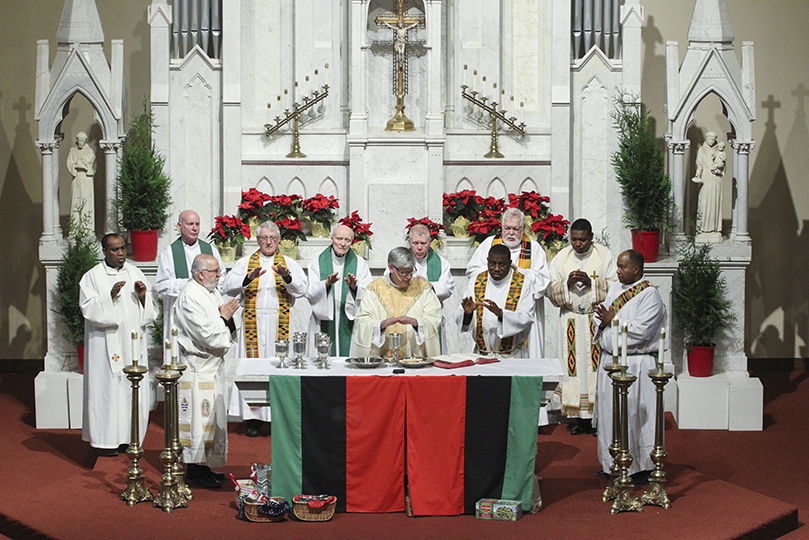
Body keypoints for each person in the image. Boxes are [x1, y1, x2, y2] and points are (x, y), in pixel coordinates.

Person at [222, 221, 307, 436]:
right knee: (254, 368)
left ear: (278, 240)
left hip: (280, 323)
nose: (268, 242)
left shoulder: (289, 263)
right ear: (257, 240)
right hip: (254, 323)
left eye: (272, 238)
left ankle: (280, 414)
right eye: (263, 238)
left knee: (279, 366)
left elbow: (301, 290)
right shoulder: (245, 263)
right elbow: (226, 286)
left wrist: (287, 277)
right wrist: (247, 278)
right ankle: (254, 418)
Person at [79, 233, 156, 457]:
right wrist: (109, 296)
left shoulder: (135, 272)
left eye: (123, 248)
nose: (121, 253)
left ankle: (129, 438)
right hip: (105, 345)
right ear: (104, 251)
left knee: (130, 388)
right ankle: (105, 441)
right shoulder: (92, 277)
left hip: (131, 345)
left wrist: (142, 296)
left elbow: (148, 311)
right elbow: (88, 308)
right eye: (115, 249)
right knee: (108, 390)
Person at [593, 250, 666, 485]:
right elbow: (601, 316)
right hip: (611, 362)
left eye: (622, 267)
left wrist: (612, 321)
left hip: (635, 364)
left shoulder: (650, 295)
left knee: (633, 415)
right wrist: (605, 319)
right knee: (609, 414)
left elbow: (641, 331)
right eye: (617, 266)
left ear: (636, 269)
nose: (617, 271)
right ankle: (612, 463)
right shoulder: (616, 288)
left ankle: (639, 468)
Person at [173, 254, 239, 489]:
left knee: (212, 420)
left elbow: (223, 324)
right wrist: (224, 317)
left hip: (212, 367)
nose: (220, 275)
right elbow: (207, 335)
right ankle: (196, 470)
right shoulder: (190, 296)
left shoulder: (210, 291)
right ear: (201, 274)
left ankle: (204, 466)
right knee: (199, 422)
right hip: (198, 368)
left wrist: (228, 320)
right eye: (215, 271)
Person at [545, 219, 616, 435]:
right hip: (572, 320)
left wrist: (592, 284)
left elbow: (616, 286)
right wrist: (565, 285)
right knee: (573, 369)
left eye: (582, 239)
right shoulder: (562, 257)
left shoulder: (604, 255)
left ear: (591, 237)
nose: (578, 244)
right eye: (574, 239)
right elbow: (549, 289)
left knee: (596, 369)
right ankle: (578, 418)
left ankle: (598, 419)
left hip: (596, 320)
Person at [466, 208, 550, 357]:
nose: (511, 233)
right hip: (486, 311)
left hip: (522, 311)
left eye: (515, 229)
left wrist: (518, 273)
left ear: (523, 228)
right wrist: (492, 272)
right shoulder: (489, 244)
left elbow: (543, 281)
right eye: (507, 228)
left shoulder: (534, 248)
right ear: (502, 227)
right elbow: (472, 271)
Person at [352, 246, 442, 359]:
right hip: (382, 361)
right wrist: (380, 325)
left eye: (411, 271)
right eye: (404, 272)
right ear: (391, 268)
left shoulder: (423, 288)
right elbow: (362, 321)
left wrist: (416, 322)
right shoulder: (374, 289)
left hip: (415, 360)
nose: (409, 277)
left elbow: (434, 318)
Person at [155, 210, 228, 342]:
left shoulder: (210, 250)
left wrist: (211, 281)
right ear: (179, 225)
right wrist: (190, 284)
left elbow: (222, 279)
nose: (194, 228)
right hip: (180, 312)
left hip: (206, 310)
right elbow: (162, 285)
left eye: (197, 224)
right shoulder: (170, 253)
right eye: (190, 224)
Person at [456, 243, 536, 358]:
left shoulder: (523, 283)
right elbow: (461, 317)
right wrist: (468, 314)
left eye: (502, 264)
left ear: (510, 263)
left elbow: (527, 317)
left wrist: (501, 314)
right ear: (487, 261)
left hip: (512, 357)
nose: (496, 269)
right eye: (492, 263)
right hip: (482, 356)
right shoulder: (477, 281)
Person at [305, 224, 372, 356]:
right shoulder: (316, 263)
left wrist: (355, 288)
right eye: (339, 239)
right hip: (323, 320)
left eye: (347, 240)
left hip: (349, 320)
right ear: (332, 239)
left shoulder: (360, 263)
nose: (343, 244)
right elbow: (310, 292)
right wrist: (326, 284)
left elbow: (369, 293)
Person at [386, 223, 455, 352]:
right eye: (415, 243)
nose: (419, 248)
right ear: (409, 242)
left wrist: (430, 286)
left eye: (423, 243)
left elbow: (448, 287)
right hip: (403, 319)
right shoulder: (398, 261)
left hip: (429, 319)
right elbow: (388, 283)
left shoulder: (441, 263)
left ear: (430, 242)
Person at [691, 131, 722, 235]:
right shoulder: (702, 150)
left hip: (715, 178)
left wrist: (719, 169)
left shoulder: (718, 150)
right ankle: (702, 228)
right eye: (710, 139)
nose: (712, 141)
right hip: (705, 176)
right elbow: (699, 163)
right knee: (704, 202)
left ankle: (713, 228)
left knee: (714, 201)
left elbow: (722, 164)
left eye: (713, 139)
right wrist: (697, 174)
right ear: (707, 138)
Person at [66, 132, 96, 228]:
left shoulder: (89, 151)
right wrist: (74, 167)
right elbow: (69, 162)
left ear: (85, 141)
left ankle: (86, 228)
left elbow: (91, 163)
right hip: (77, 177)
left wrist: (85, 165)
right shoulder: (72, 150)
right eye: (79, 140)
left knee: (86, 201)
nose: (81, 143)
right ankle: (75, 229)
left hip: (86, 178)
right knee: (76, 201)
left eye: (82, 141)